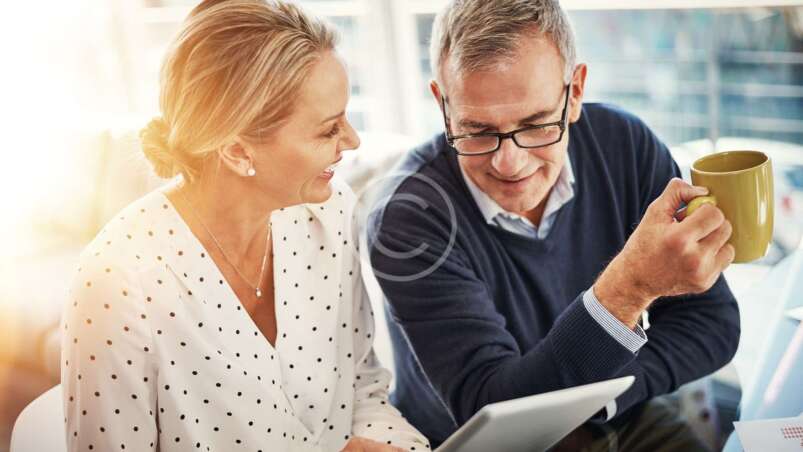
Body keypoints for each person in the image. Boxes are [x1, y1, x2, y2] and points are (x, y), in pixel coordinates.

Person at [367, 0, 740, 450]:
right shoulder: (408, 216)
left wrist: (600, 399)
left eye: (536, 124)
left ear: (575, 92)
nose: (509, 163)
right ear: (443, 106)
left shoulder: (624, 144)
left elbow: (713, 322)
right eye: (478, 131)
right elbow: (493, 413)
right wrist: (629, 286)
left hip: (620, 416)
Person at [61, 1, 429, 451]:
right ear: (237, 152)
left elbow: (364, 392)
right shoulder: (117, 281)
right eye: (327, 129)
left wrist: (395, 446)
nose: (352, 141)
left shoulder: (330, 212)